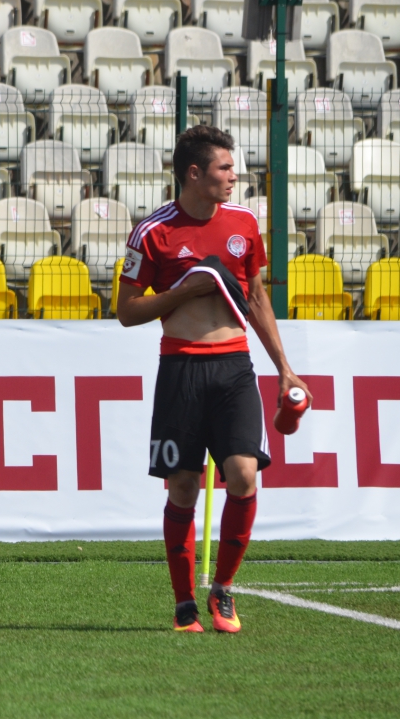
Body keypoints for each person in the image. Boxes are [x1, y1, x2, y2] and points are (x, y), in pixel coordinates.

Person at [115, 125, 311, 634]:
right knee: (183, 487)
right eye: (224, 168)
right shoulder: (152, 232)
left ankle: (222, 589)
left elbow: (257, 298)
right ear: (194, 173)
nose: (234, 176)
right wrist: (185, 291)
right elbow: (127, 311)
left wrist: (284, 368)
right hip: (180, 368)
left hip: (234, 368)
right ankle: (185, 604)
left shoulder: (244, 222)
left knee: (244, 474)